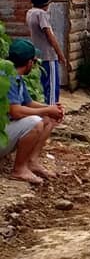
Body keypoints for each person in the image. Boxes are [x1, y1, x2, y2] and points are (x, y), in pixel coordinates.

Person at [1, 38, 63, 184]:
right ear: (29, 62)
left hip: (5, 132)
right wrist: (47, 109)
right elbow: (15, 111)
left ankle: (32, 162)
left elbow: (28, 102)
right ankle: (19, 169)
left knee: (48, 119)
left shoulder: (16, 77)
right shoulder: (7, 77)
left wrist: (52, 109)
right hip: (1, 136)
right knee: (35, 122)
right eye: (34, 61)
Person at [26, 0, 70, 106]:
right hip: (48, 56)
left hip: (38, 56)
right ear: (45, 2)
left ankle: (45, 113)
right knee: (51, 88)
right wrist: (60, 55)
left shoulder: (30, 12)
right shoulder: (41, 14)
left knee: (42, 86)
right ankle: (51, 114)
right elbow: (50, 36)